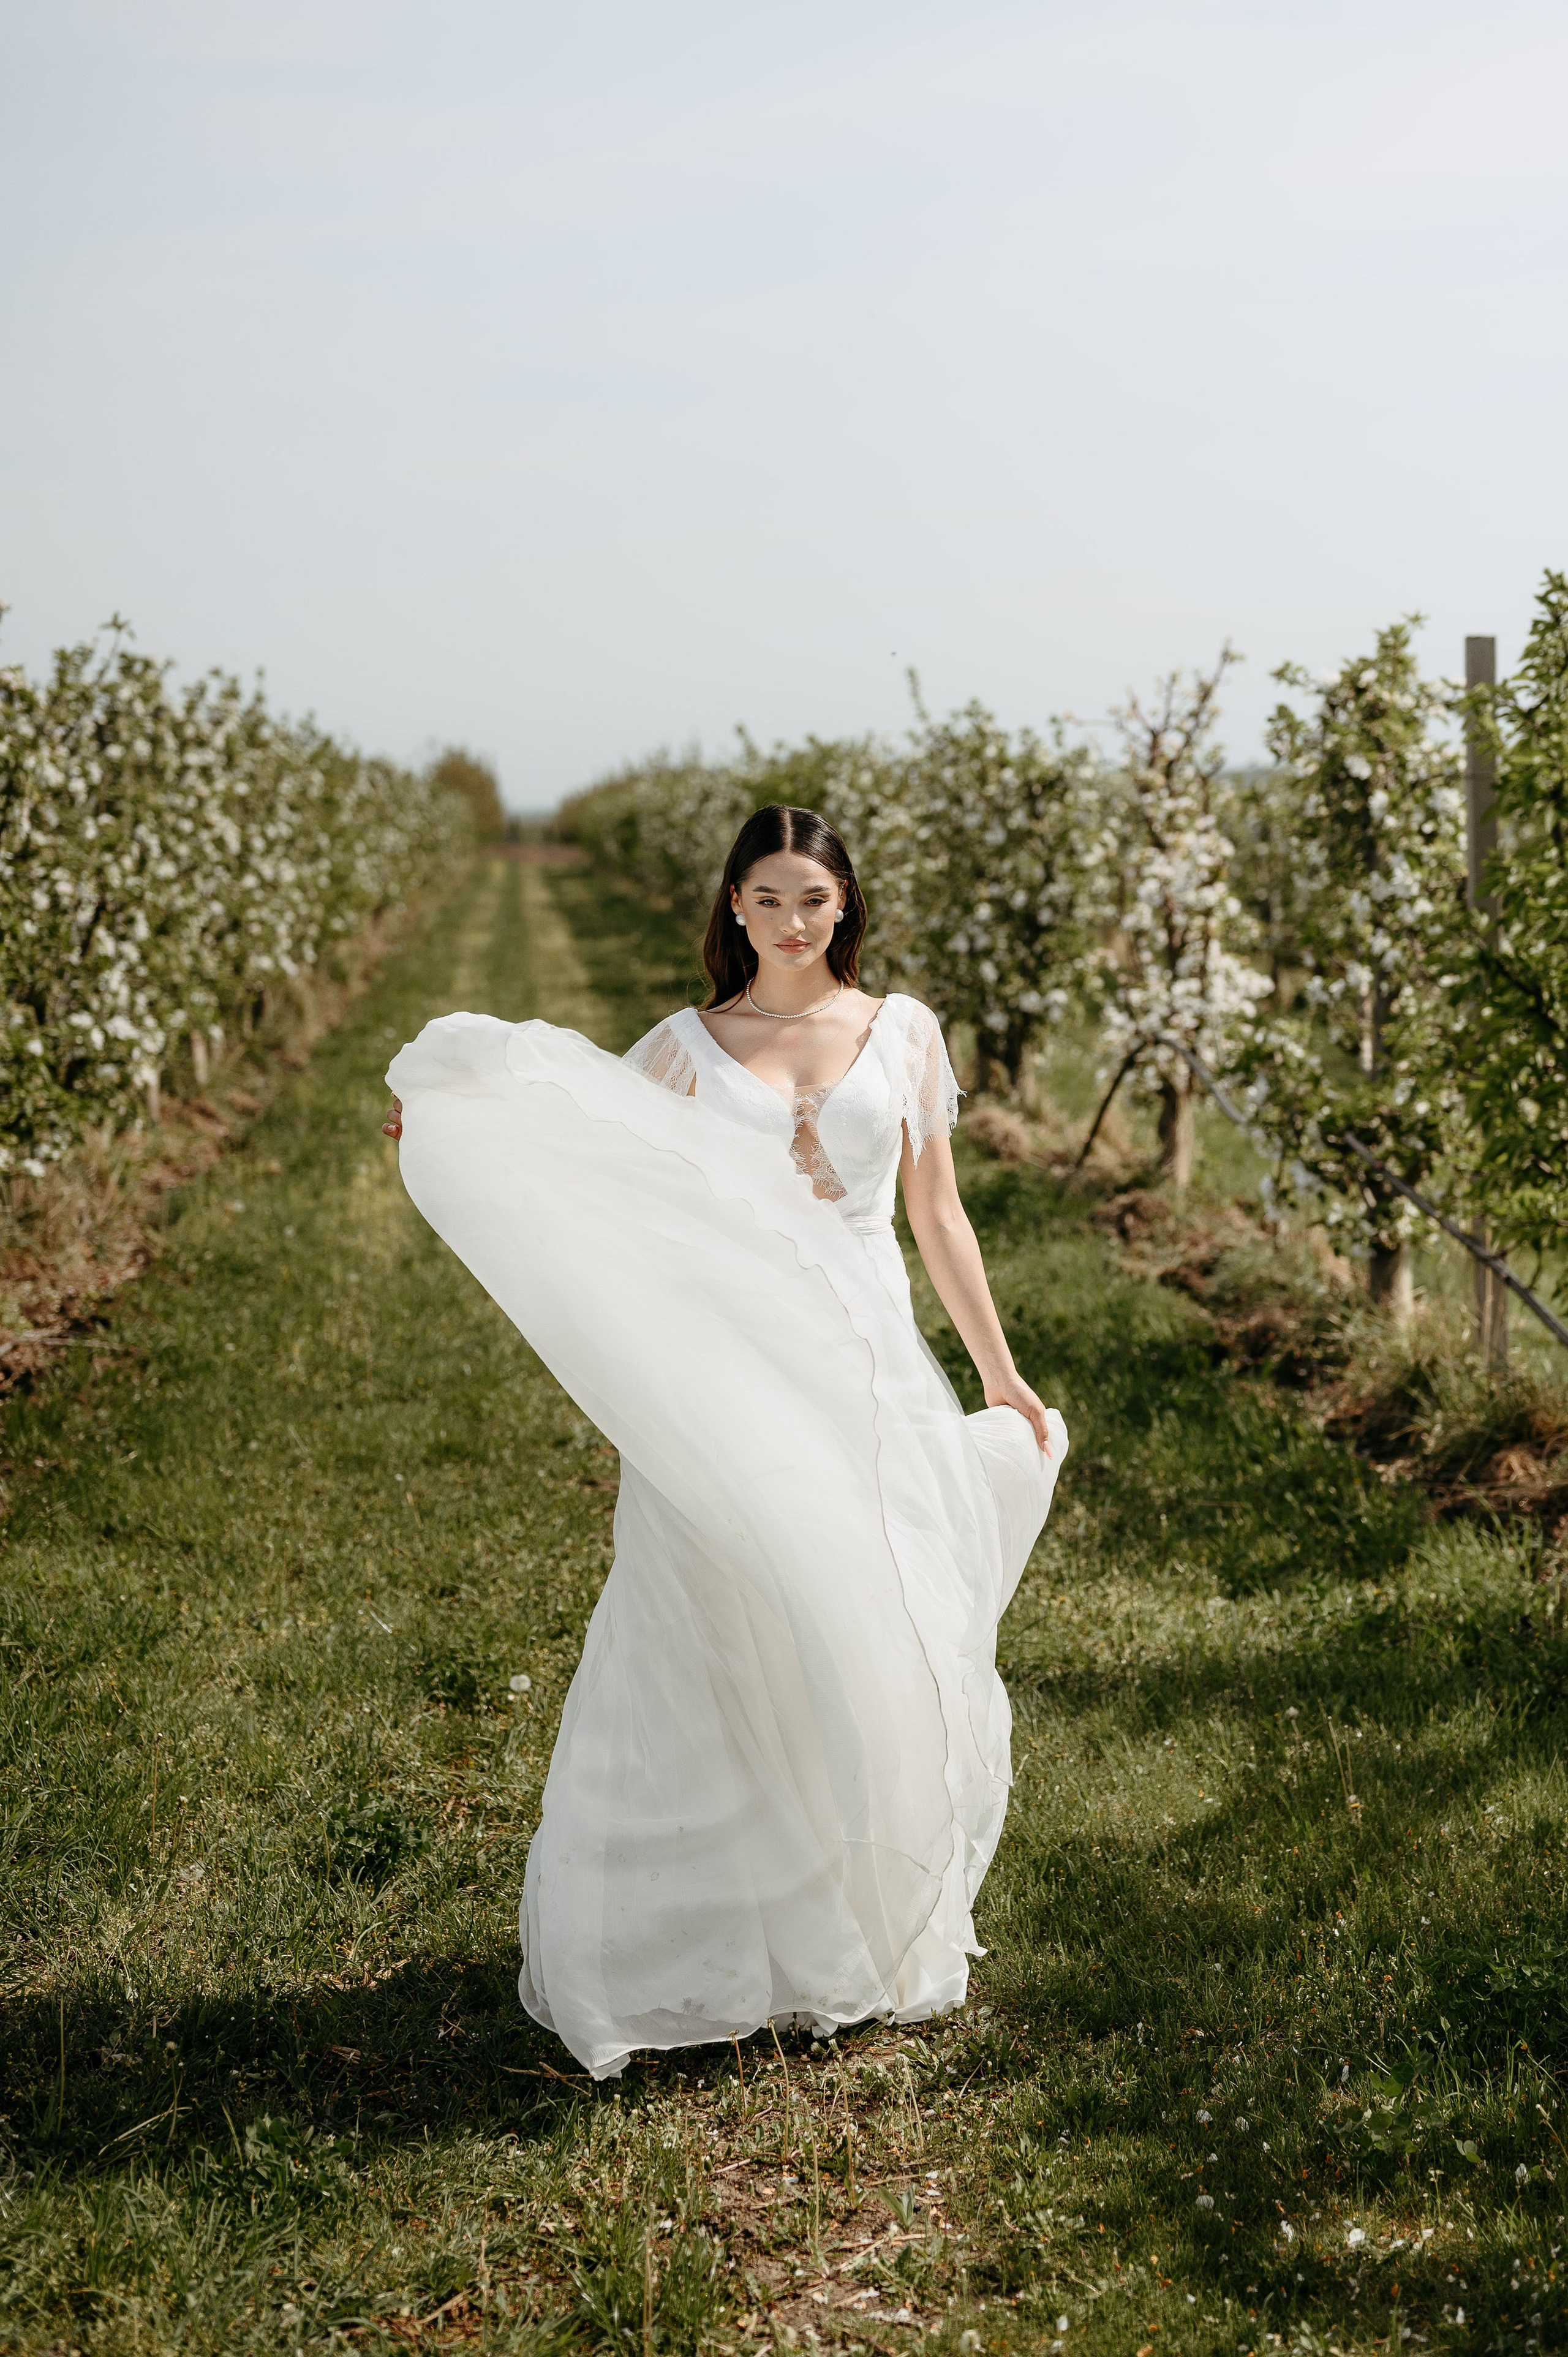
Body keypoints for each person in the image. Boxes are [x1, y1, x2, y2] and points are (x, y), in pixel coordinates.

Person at [383, 804, 1068, 2080]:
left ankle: (849, 1929)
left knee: (875, 1629)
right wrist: (453, 1135)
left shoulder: (902, 1033)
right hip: (735, 1379)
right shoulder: (683, 1049)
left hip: (870, 1375)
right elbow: (578, 1157)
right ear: (733, 907)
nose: (793, 921)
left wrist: (997, 1366)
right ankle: (694, 1939)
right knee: (722, 1637)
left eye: (814, 898)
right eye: (767, 898)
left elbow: (937, 1214)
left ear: (844, 905)